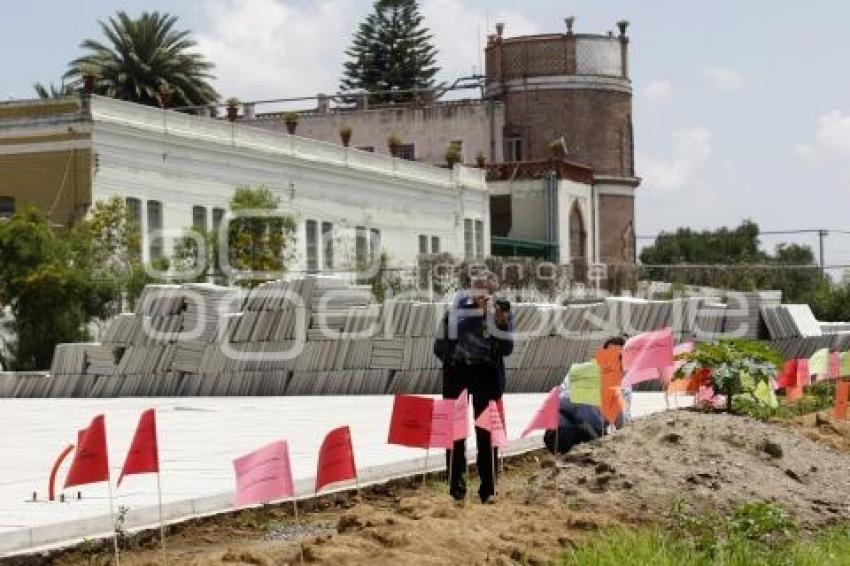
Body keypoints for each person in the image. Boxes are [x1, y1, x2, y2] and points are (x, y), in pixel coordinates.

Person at [434, 275, 513, 504]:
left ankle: (488, 489)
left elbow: (507, 348)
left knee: (486, 432)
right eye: (479, 292)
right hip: (458, 371)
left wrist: (502, 323)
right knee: (455, 433)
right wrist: (477, 312)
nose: (484, 297)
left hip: (485, 373)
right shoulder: (460, 306)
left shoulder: (500, 310)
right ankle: (456, 489)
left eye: (488, 293)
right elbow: (454, 332)